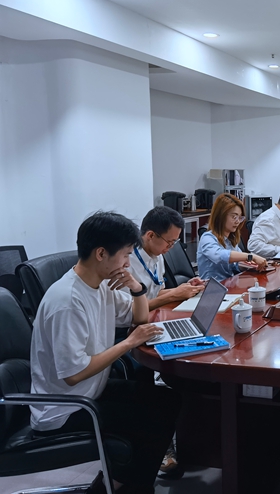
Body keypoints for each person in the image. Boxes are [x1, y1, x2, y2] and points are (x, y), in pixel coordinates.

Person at [30, 211, 180, 494]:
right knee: (153, 419)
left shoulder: (100, 285)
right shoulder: (67, 300)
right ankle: (126, 486)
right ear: (101, 253)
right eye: (125, 255)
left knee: (168, 400)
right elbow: (74, 375)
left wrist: (137, 289)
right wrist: (128, 343)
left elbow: (138, 319)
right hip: (65, 408)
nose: (127, 263)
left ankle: (118, 483)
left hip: (90, 391)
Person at [125, 206, 205, 310]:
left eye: (174, 242)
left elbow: (156, 294)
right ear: (151, 235)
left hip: (156, 313)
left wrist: (187, 288)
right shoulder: (126, 262)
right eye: (169, 242)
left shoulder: (158, 255)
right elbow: (130, 309)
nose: (171, 247)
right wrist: (173, 294)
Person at [197, 193, 267, 280]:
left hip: (229, 283)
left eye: (240, 218)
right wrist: (250, 257)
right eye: (234, 217)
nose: (238, 221)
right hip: (213, 286)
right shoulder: (207, 238)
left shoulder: (230, 239)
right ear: (221, 216)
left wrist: (249, 265)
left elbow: (235, 266)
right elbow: (219, 256)